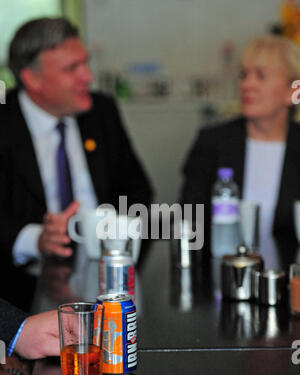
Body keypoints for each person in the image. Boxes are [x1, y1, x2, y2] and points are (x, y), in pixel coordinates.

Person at [0, 17, 153, 267]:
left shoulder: (102, 112)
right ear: (32, 79)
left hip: (106, 269)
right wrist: (36, 240)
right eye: (72, 69)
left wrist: (118, 245)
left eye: (86, 63)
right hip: (24, 284)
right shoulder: (5, 123)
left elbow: (137, 189)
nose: (88, 76)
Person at [180, 35, 300, 258]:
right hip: (223, 277)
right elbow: (190, 224)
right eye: (244, 75)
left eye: (261, 76)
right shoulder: (212, 142)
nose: (247, 85)